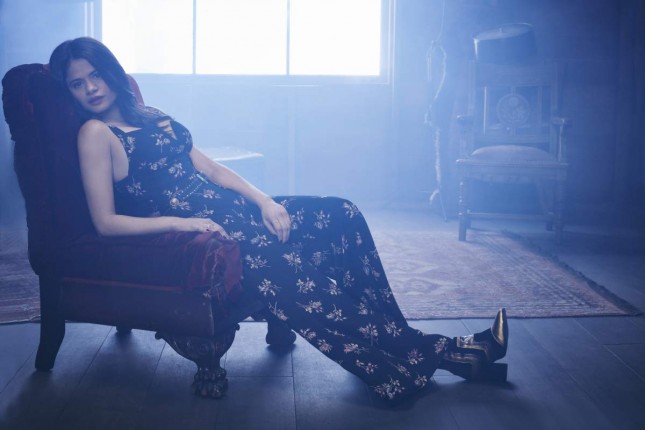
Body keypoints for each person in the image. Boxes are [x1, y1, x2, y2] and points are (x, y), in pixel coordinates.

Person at [48, 37, 509, 403]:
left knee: (342, 214)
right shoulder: (95, 134)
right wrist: (184, 224)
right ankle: (447, 352)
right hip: (214, 232)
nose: (91, 88)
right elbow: (106, 223)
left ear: (110, 72)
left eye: (95, 75)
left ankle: (414, 351)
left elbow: (212, 170)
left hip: (237, 208)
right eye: (77, 84)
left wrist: (266, 200)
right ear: (69, 92)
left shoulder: (151, 116)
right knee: (302, 281)